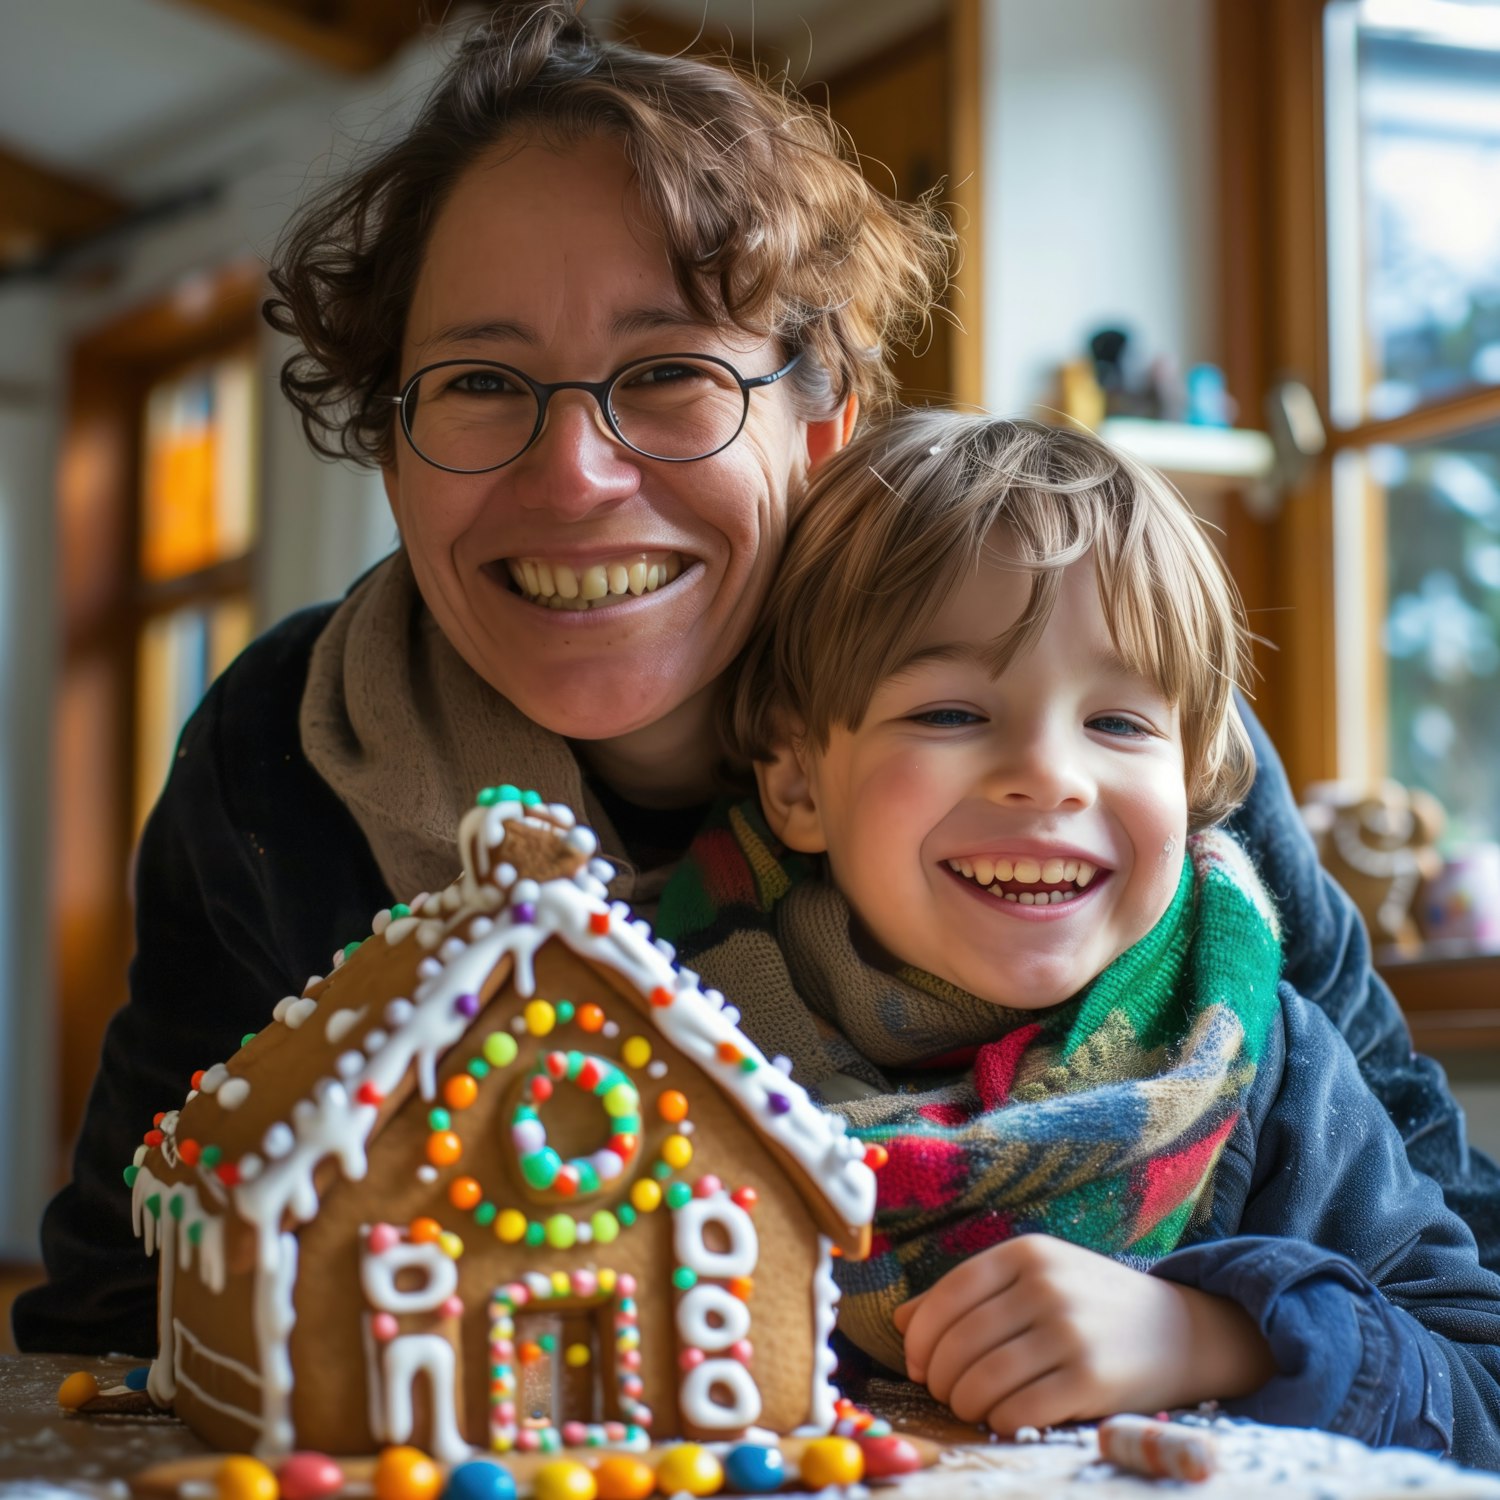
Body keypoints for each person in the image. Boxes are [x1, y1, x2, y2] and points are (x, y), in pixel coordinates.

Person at [12, 2, 1499, 1385]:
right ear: (390, 447)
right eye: (477, 382)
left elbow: (1457, 1274)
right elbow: (121, 1311)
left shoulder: (1096, 739)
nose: (575, 475)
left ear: (820, 425)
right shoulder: (287, 757)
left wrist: (1230, 1329)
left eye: (670, 373)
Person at [656, 409, 1500, 1465]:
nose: (1051, 774)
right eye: (952, 714)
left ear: (1195, 783)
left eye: (1118, 724)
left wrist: (1219, 1336)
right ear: (795, 780)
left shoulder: (1254, 1058)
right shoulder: (665, 1044)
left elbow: (1481, 1381)